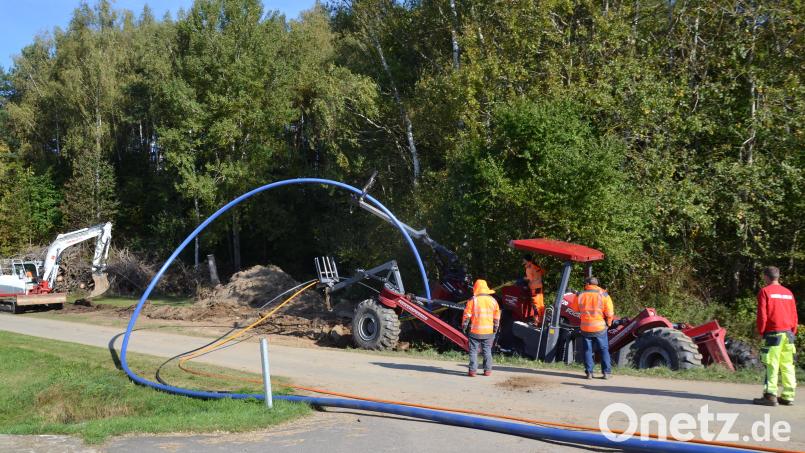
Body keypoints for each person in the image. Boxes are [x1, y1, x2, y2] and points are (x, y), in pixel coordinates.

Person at [753, 266, 798, 407]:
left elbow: (762, 315)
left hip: (773, 333)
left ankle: (770, 395)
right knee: (787, 365)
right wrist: (793, 331)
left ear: (766, 277)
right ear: (778, 276)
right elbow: (794, 315)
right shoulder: (788, 293)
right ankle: (788, 396)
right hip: (789, 334)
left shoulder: (765, 291)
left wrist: (761, 331)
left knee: (771, 364)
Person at [568, 277, 614, 379]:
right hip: (600, 327)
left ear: (587, 284)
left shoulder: (580, 295)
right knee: (604, 349)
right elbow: (610, 313)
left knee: (587, 350)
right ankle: (606, 373)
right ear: (597, 284)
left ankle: (589, 373)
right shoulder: (604, 295)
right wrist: (609, 323)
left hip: (585, 328)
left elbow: (575, 309)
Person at [462, 279, 501, 377]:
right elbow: (496, 317)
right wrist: (495, 328)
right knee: (487, 350)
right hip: (488, 331)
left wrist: (464, 326)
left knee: (473, 351)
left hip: (475, 331)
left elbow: (467, 315)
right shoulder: (493, 301)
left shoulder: (473, 300)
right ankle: (487, 371)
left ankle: (472, 371)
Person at [523, 255, 545, 325]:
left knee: (535, 304)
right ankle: (542, 320)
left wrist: (524, 279)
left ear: (527, 260)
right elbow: (543, 272)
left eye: (524, 260)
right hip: (539, 287)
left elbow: (530, 279)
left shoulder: (529, 268)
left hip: (534, 288)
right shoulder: (536, 266)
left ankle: (536, 322)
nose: (523, 261)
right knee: (540, 303)